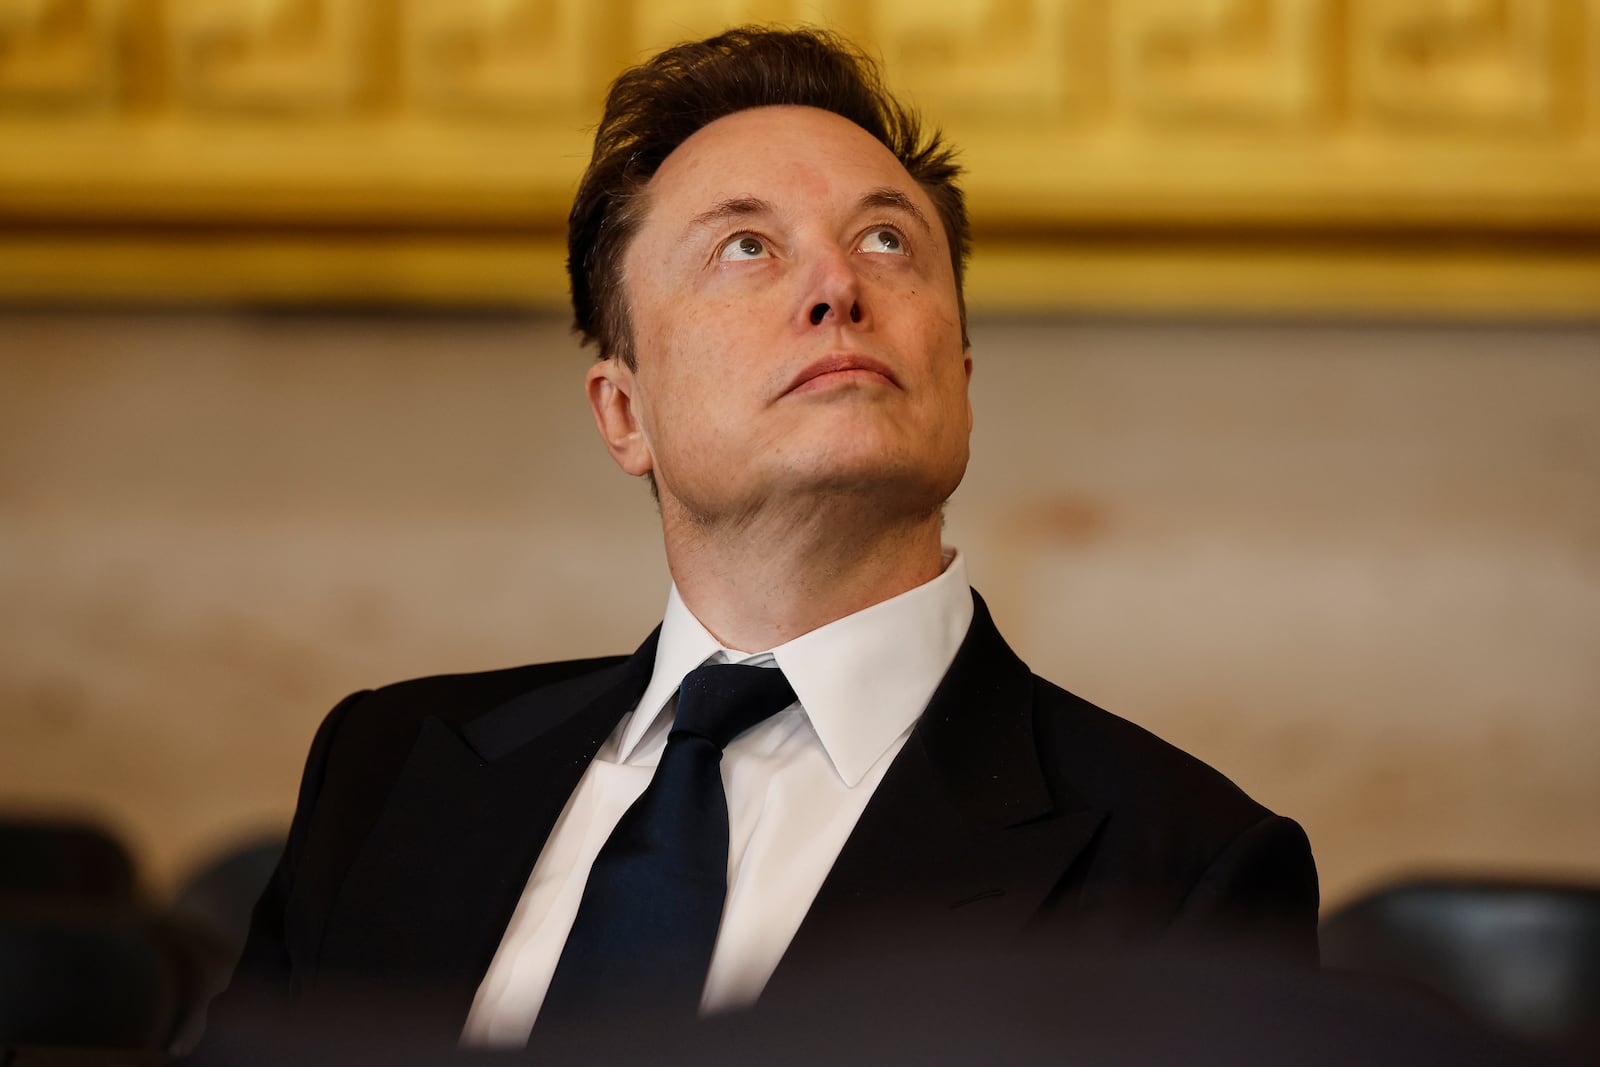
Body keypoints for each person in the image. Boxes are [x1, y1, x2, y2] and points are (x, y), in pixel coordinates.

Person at [200, 25, 1318, 1057]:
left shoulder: (1184, 864)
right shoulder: (388, 764)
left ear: (959, 383)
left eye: (887, 239)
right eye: (744, 246)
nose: (837, 286)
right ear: (623, 412)